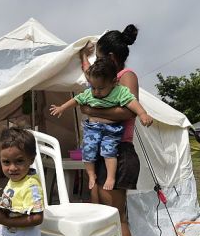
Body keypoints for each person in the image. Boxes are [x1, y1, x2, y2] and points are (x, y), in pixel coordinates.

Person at [79, 24, 149, 236]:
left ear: (109, 54)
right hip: (102, 154)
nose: (95, 62)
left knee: (117, 218)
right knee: (99, 209)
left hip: (119, 153)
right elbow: (88, 74)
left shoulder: (125, 76)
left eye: (98, 56)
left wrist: (89, 107)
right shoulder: (103, 77)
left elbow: (127, 112)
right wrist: (81, 58)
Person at [49, 58, 153, 190]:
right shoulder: (89, 93)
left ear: (114, 82)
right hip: (92, 129)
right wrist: (62, 107)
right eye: (93, 87)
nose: (96, 91)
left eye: (101, 88)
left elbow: (132, 102)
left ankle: (111, 177)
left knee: (109, 152)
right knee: (87, 151)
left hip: (111, 130)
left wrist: (143, 114)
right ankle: (91, 175)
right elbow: (76, 100)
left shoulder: (119, 92)